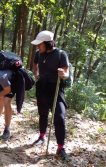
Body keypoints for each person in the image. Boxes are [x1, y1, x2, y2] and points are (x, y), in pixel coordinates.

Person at [31, 30, 71, 161]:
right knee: (43, 114)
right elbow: (35, 63)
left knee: (59, 117)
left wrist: (62, 74)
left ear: (48, 43)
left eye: (40, 44)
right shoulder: (39, 53)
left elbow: (67, 74)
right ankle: (42, 137)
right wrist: (36, 73)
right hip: (42, 86)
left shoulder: (61, 54)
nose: (38, 46)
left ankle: (60, 148)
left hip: (55, 89)